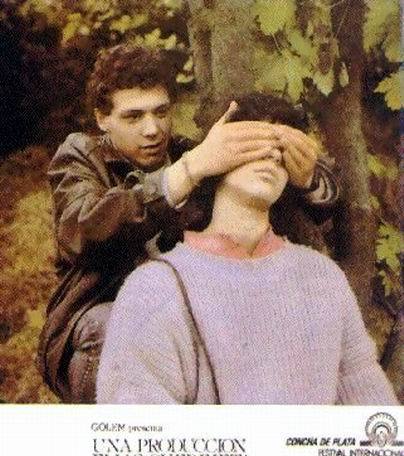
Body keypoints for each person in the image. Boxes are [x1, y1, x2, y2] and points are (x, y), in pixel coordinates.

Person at [38, 44, 339, 403]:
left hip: (184, 308)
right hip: (101, 309)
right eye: (133, 117)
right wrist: (185, 173)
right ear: (103, 118)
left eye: (161, 112)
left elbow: (268, 188)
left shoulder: (186, 152)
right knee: (115, 327)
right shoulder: (82, 154)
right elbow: (83, 230)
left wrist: (308, 179)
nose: (152, 129)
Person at [96, 93, 397, 405]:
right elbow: (135, 420)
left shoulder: (323, 277)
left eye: (281, 151)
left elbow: (373, 411)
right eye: (252, 144)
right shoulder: (155, 288)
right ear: (216, 154)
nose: (270, 155)